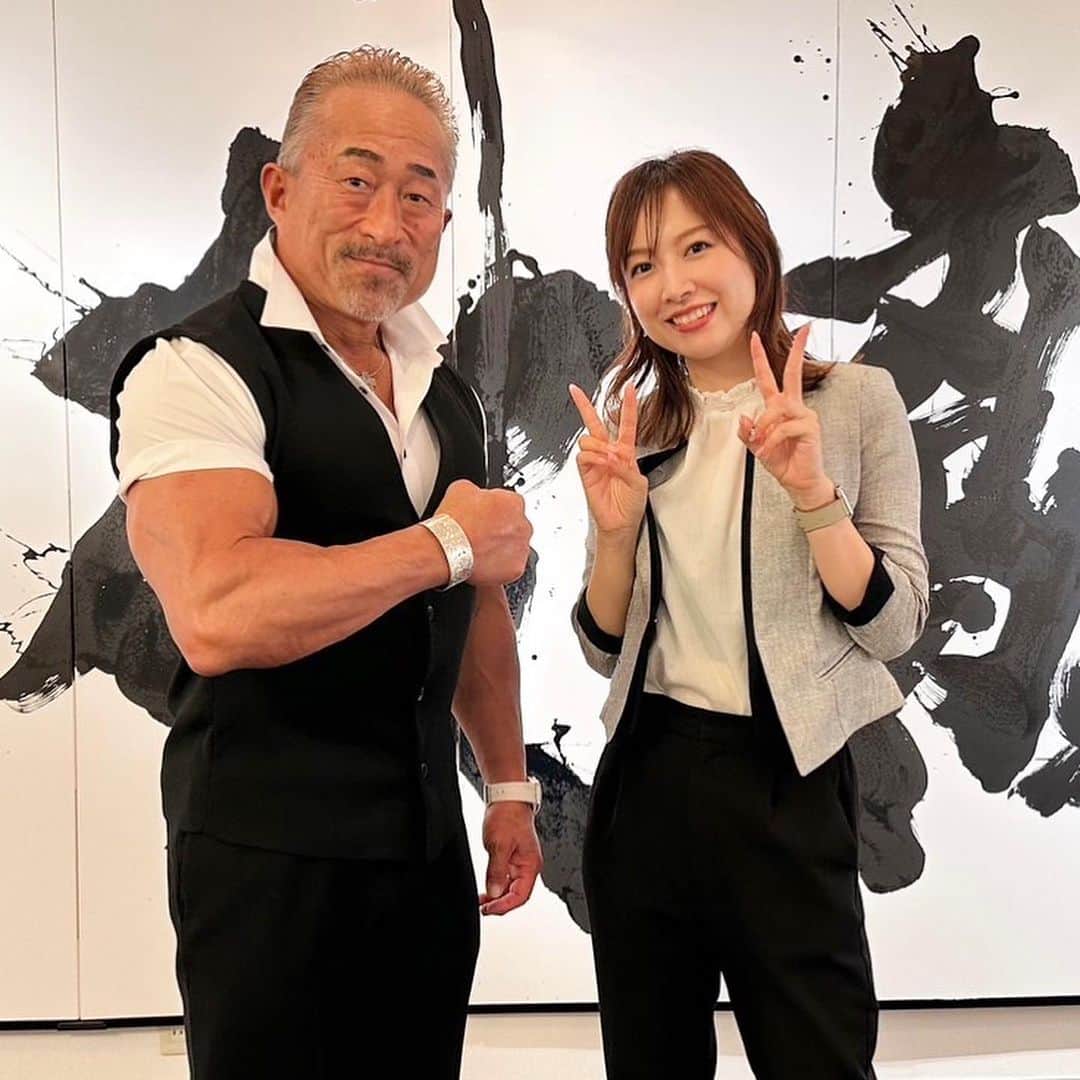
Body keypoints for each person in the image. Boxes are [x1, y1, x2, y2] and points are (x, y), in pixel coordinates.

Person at [110, 47, 543, 1080]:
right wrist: (444, 543)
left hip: (426, 857)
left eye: (418, 196)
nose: (386, 224)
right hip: (267, 863)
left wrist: (508, 783)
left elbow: (475, 608)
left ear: (444, 219)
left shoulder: (444, 389)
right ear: (279, 189)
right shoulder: (196, 369)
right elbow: (219, 611)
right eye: (357, 181)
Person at [569, 149, 928, 1080]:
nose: (673, 285)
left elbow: (895, 627)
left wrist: (813, 492)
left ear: (753, 250)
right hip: (647, 779)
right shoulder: (637, 428)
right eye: (642, 264)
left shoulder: (854, 402)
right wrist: (616, 534)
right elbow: (602, 644)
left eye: (697, 247)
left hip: (787, 781)